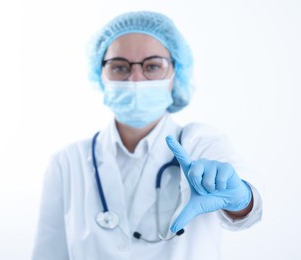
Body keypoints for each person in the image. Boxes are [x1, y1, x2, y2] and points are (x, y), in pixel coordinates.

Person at [32, 11, 262, 260]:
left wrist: (241, 199)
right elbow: (49, 253)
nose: (135, 79)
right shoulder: (67, 162)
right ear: (100, 74)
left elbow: (248, 211)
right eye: (119, 67)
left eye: (152, 66)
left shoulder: (200, 143)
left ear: (175, 74)